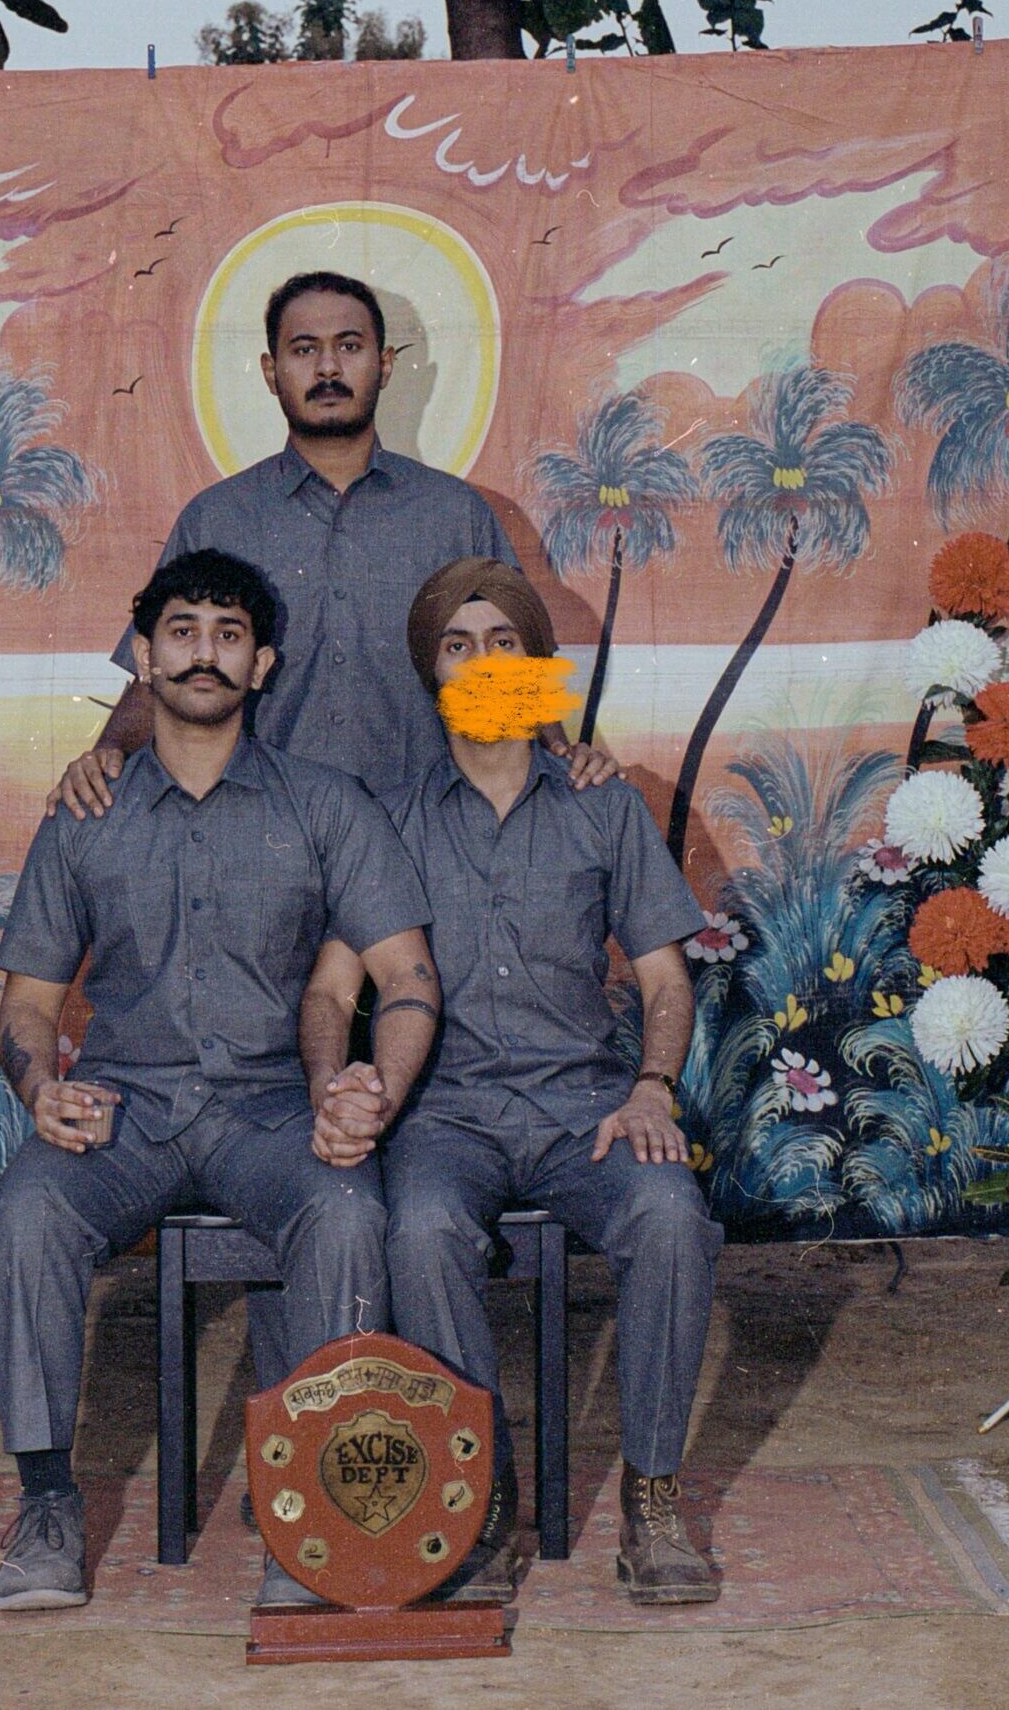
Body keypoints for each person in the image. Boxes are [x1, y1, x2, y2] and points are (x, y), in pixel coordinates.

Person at [0, 548, 443, 1612]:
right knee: (25, 1217)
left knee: (344, 1210)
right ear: (144, 656)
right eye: (181, 630)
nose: (203, 653)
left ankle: (318, 1516)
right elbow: (29, 1007)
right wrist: (39, 1087)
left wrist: (370, 1090)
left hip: (270, 1114)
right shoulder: (85, 815)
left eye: (228, 634)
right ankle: (47, 1505)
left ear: (263, 664)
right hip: (125, 1112)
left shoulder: (327, 805)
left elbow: (406, 975)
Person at [309, 557, 724, 1608]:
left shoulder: (602, 805)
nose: (482, 662)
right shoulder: (384, 819)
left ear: (538, 667)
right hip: (444, 1116)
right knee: (420, 1232)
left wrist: (651, 1090)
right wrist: (339, 1082)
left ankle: (653, 1495)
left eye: (505, 644)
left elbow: (665, 977)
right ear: (430, 676)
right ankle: (474, 1492)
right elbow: (332, 985)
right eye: (457, 646)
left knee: (671, 1216)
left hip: (587, 1104)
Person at [50, 268, 617, 816]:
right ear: (271, 372)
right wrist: (107, 756)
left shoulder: (456, 516)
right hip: (261, 835)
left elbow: (513, 676)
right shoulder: (218, 519)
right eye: (303, 350)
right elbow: (159, 676)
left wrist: (565, 758)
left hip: (422, 837)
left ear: (386, 364)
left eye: (349, 347)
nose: (327, 368)